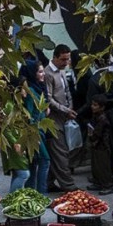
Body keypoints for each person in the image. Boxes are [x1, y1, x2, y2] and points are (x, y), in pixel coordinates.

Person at [44, 44, 79, 192]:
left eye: (68, 59)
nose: (66, 63)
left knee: (58, 153)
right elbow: (48, 99)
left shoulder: (62, 71)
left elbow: (67, 91)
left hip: (64, 118)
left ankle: (49, 182)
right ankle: (69, 187)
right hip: (53, 121)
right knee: (61, 154)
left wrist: (69, 108)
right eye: (63, 60)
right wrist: (66, 110)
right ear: (55, 57)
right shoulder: (48, 74)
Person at [20, 60, 50, 195]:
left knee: (34, 163)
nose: (43, 74)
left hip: (39, 131)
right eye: (40, 71)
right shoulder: (31, 91)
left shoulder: (37, 88)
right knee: (45, 160)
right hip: (35, 132)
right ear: (32, 73)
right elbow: (29, 116)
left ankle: (31, 195)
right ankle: (42, 195)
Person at [86, 94, 113, 195]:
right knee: (96, 165)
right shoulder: (96, 116)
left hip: (102, 146)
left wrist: (91, 134)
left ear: (102, 107)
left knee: (103, 167)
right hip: (96, 145)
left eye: (95, 105)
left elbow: (97, 133)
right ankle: (98, 182)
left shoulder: (103, 119)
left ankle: (107, 185)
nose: (92, 106)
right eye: (92, 104)